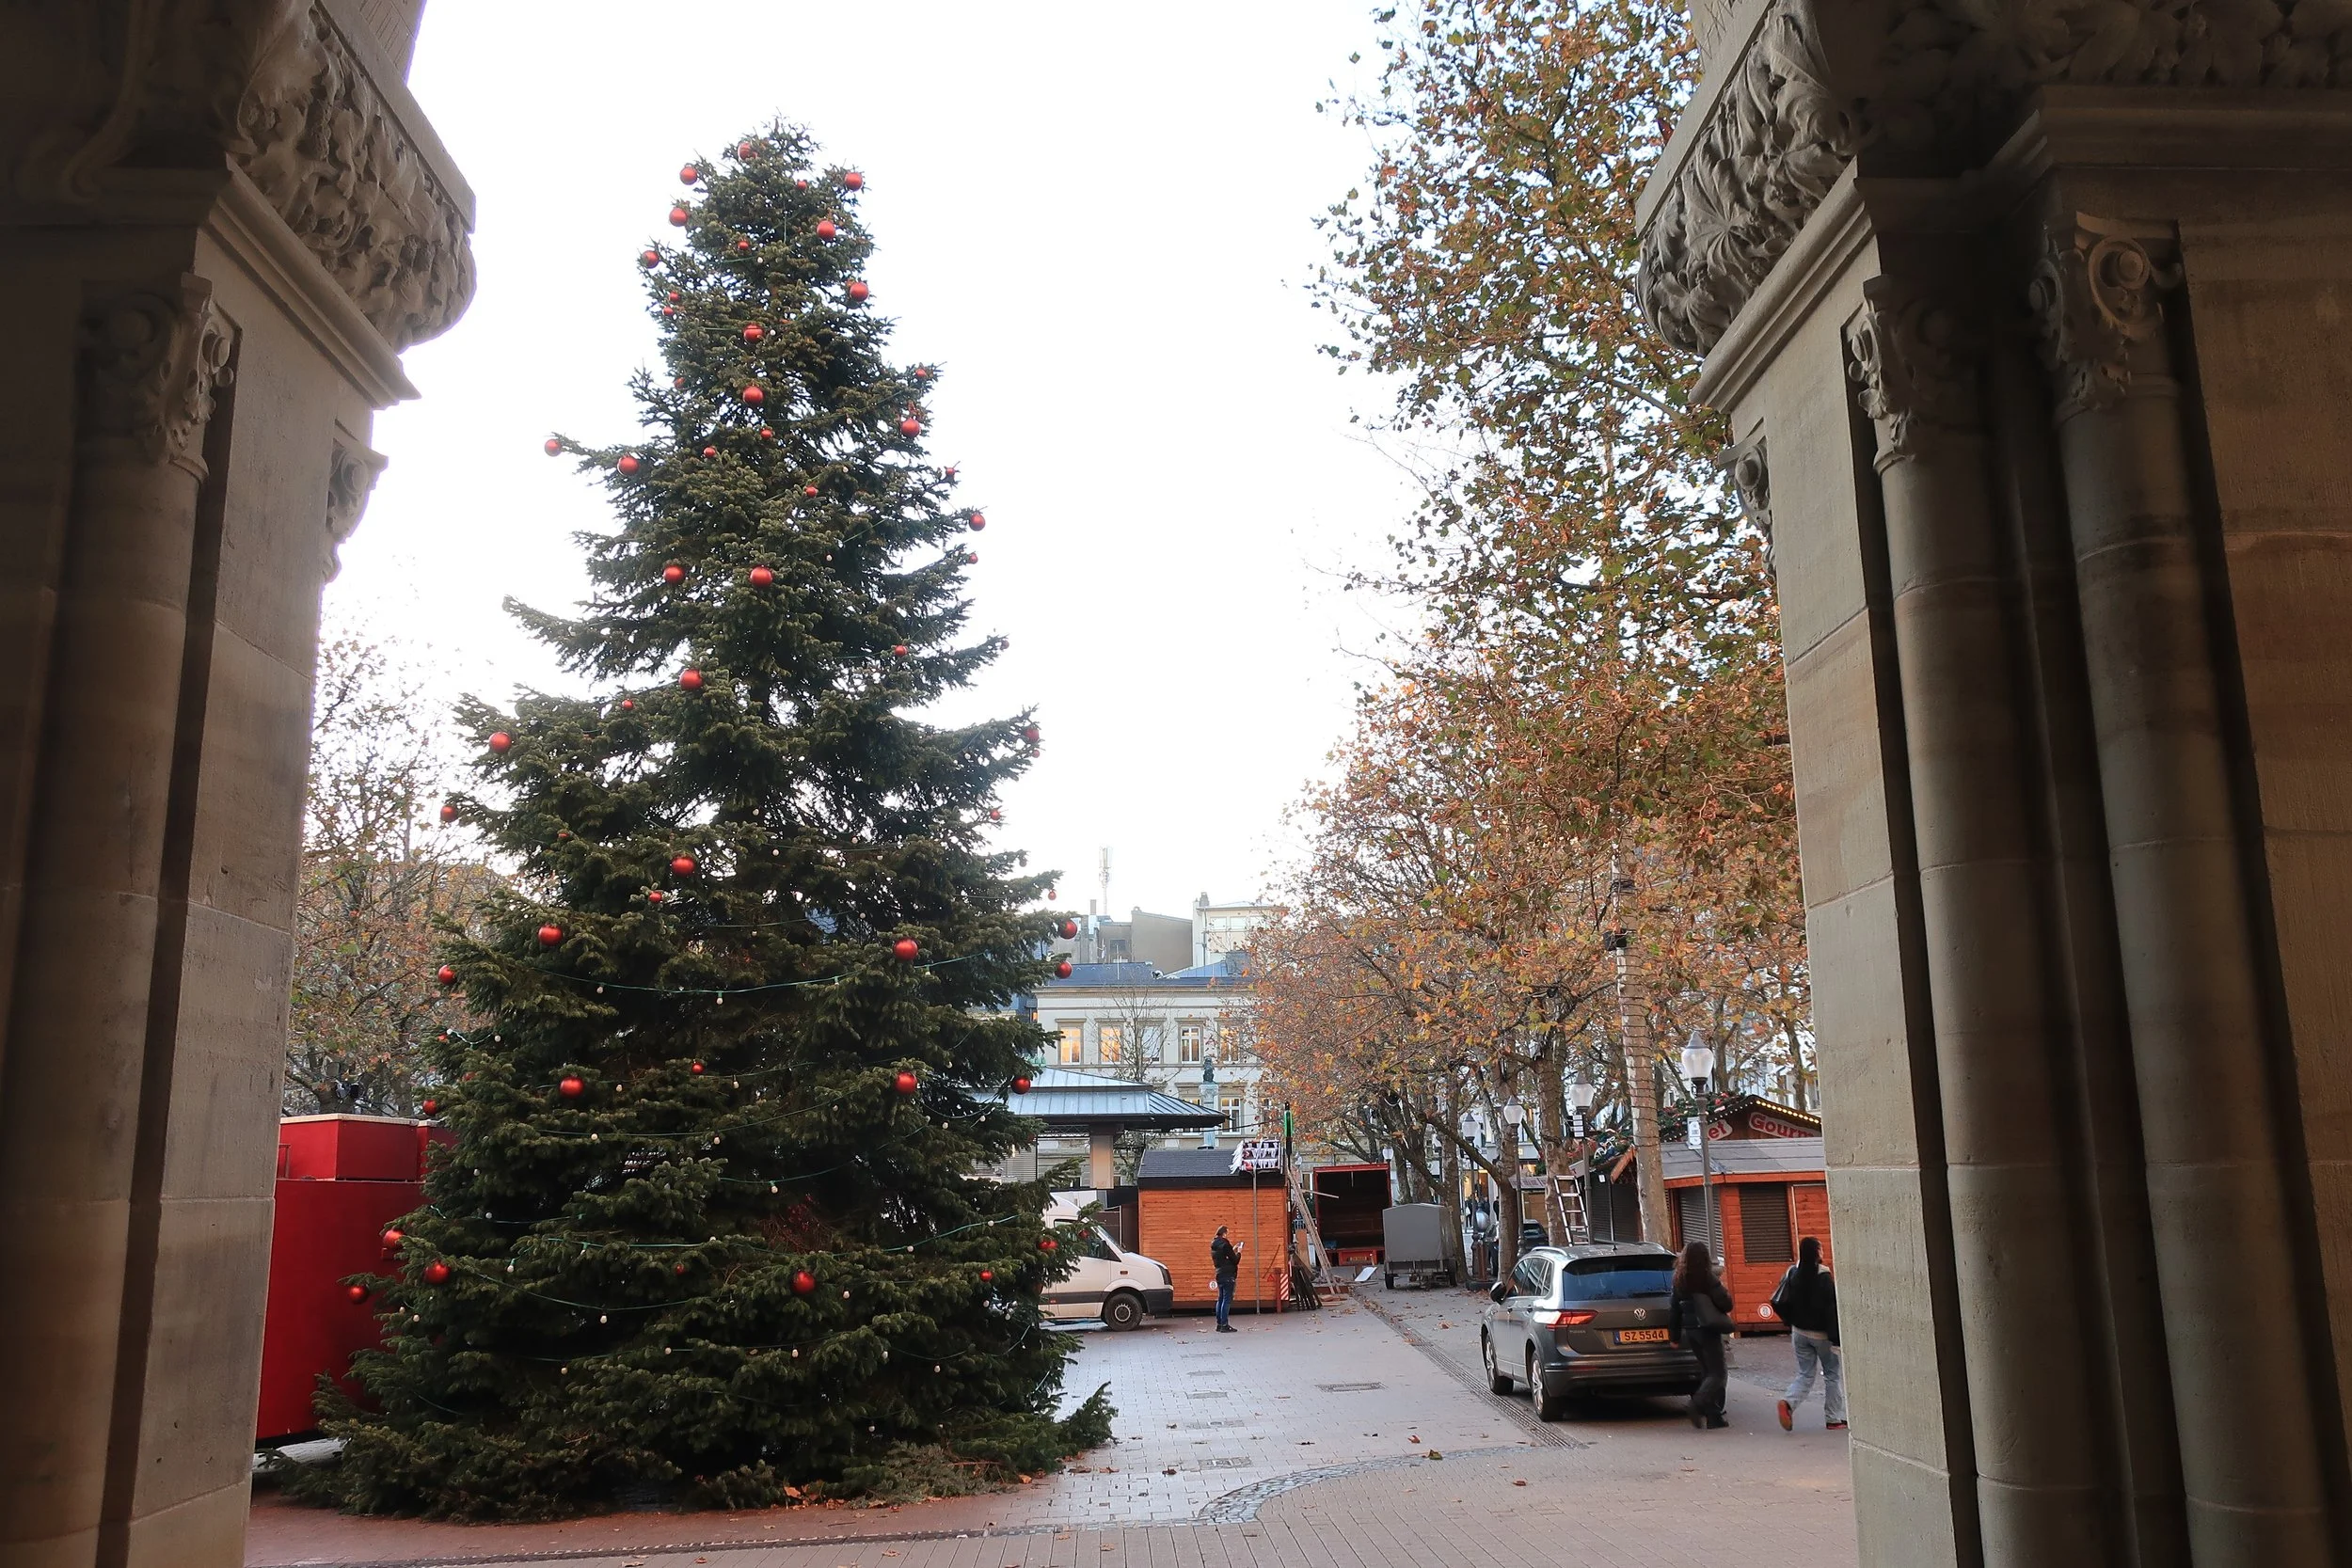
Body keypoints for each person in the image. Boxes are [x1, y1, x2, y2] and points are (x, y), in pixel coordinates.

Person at [1771, 1236, 1846, 1431]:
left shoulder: (1792, 1273)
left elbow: (1780, 1299)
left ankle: (1788, 1403)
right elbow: (1832, 1310)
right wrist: (1836, 1339)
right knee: (1832, 1375)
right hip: (1821, 1336)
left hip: (1799, 1333)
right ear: (1817, 1253)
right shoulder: (1823, 1278)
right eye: (1821, 1249)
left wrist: (1790, 1321)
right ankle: (1834, 1418)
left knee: (1805, 1373)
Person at [1670, 1239, 1734, 1429]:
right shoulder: (1708, 1278)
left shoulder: (1679, 1279)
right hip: (1708, 1330)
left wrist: (1674, 1336)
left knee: (1707, 1371)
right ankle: (1697, 1404)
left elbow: (1674, 1310)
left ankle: (1714, 1417)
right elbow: (1726, 1303)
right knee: (1718, 1373)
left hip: (1691, 1332)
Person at [1210, 1226, 1241, 1332]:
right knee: (1227, 1300)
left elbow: (1223, 1256)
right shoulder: (1225, 1244)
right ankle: (1224, 1325)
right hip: (1228, 1275)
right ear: (1224, 1233)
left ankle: (1219, 1324)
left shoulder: (1214, 1245)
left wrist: (1233, 1249)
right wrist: (1239, 1252)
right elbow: (1235, 1260)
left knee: (1221, 1299)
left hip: (1219, 1274)